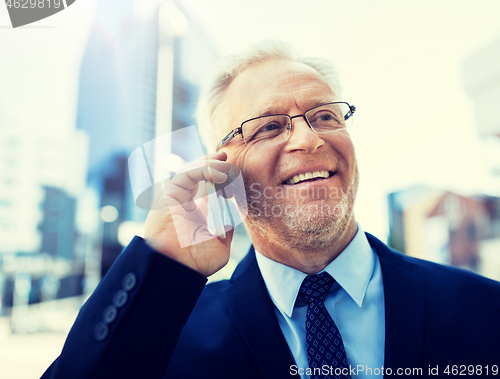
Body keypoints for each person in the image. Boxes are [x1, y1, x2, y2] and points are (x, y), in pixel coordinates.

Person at [42, 41, 500, 379]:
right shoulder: (164, 331)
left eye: (325, 116)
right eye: (269, 127)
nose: (309, 139)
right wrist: (159, 264)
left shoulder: (486, 309)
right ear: (218, 167)